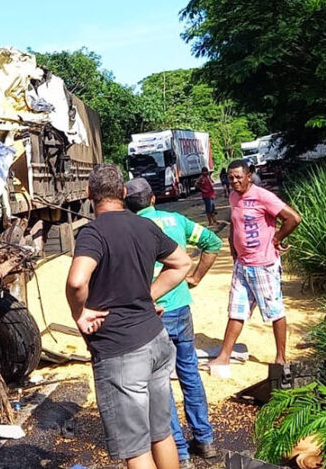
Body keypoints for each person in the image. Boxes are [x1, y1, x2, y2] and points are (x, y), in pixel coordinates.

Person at [66, 164, 192, 469]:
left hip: (121, 351)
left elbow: (76, 281)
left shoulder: (92, 233)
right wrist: (147, 295)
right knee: (161, 434)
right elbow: (182, 263)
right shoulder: (144, 225)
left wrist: (80, 314)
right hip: (156, 341)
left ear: (88, 194)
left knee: (136, 449)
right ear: (123, 193)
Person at [125, 178, 222, 467]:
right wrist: (195, 278)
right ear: (153, 199)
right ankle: (205, 440)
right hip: (181, 308)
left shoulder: (131, 229)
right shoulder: (175, 219)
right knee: (189, 372)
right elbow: (213, 242)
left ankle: (178, 450)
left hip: (153, 313)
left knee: (160, 381)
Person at [206, 160, 301, 376]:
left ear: (249, 175)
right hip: (242, 264)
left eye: (239, 177)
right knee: (236, 310)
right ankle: (224, 356)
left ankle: (280, 358)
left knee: (274, 311)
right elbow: (235, 223)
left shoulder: (262, 196)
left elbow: (294, 218)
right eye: (231, 178)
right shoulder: (233, 196)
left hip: (263, 265)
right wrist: (232, 247)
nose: (235, 181)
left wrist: (276, 238)